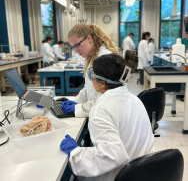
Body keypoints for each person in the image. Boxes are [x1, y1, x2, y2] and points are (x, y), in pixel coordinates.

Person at [60, 52, 154, 181]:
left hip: (118, 176)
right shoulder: (135, 99)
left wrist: (76, 153)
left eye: (92, 75)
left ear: (102, 83)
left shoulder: (100, 110)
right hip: (141, 173)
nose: (90, 79)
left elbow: (111, 156)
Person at [61, 23, 121, 118]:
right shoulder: (92, 57)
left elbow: (104, 99)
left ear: (89, 39)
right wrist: (76, 101)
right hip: (96, 114)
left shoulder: (105, 58)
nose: (76, 51)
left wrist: (79, 109)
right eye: (73, 47)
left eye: (77, 45)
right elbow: (88, 88)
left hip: (107, 117)